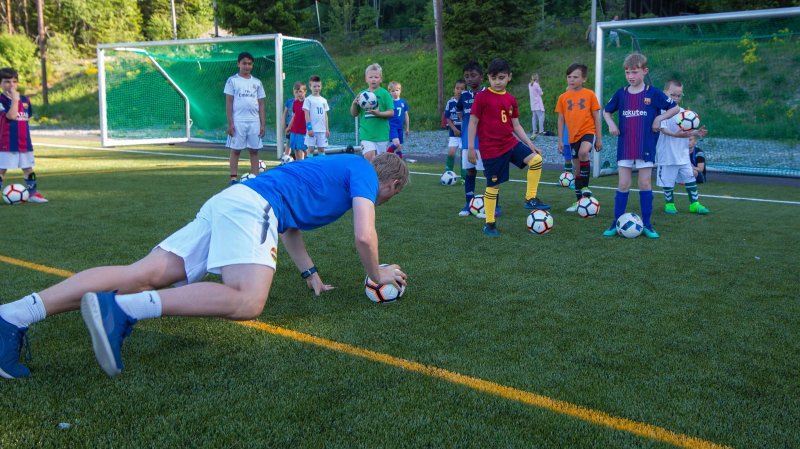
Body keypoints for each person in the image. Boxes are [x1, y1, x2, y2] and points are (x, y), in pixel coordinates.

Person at [0, 153, 410, 379]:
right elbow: (364, 235)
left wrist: (311, 275)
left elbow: (289, 227)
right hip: (252, 207)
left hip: (232, 201)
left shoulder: (338, 169)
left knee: (139, 274)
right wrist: (377, 274)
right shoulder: (364, 172)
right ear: (392, 184)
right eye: (392, 196)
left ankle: (13, 315)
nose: (386, 200)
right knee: (247, 300)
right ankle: (121, 309)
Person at [467, 58, 551, 237]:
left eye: (501, 78)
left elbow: (516, 125)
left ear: (509, 77)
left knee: (536, 160)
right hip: (491, 150)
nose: (497, 82)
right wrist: (471, 148)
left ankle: (530, 198)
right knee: (493, 186)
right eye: (493, 78)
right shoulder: (482, 97)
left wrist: (530, 144)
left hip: (510, 143)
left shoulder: (511, 99)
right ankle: (490, 224)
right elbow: (473, 122)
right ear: (488, 77)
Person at [602, 53, 680, 238]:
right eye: (627, 72)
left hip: (646, 145)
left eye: (635, 72)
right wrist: (611, 124)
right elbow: (606, 111)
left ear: (645, 71)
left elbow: (675, 108)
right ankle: (616, 222)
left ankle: (647, 224)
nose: (631, 76)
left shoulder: (653, 93)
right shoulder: (621, 93)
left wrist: (659, 118)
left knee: (644, 183)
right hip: (625, 145)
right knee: (623, 184)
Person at [655, 80, 709, 215]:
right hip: (667, 154)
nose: (676, 98)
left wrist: (697, 132)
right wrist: (675, 135)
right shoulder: (661, 112)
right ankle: (669, 204)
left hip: (682, 154)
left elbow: (687, 131)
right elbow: (662, 129)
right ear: (665, 93)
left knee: (690, 178)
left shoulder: (684, 113)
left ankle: (694, 204)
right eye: (673, 95)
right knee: (668, 181)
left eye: (679, 95)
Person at [555, 63, 603, 213]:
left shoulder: (590, 94)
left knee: (583, 152)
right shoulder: (563, 97)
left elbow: (596, 117)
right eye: (569, 76)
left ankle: (585, 187)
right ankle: (579, 202)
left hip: (588, 131)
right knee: (578, 171)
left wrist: (599, 138)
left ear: (584, 79)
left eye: (575, 77)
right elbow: (561, 120)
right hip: (572, 137)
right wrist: (560, 140)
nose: (571, 79)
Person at [457, 60, 500, 218]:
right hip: (467, 143)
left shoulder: (489, 94)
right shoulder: (464, 96)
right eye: (467, 76)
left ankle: (495, 206)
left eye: (473, 75)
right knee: (470, 171)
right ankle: (469, 204)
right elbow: (461, 113)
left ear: (481, 77)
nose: (470, 79)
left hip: (484, 142)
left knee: (489, 173)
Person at [0, 67, 47, 203]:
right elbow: (11, 116)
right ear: (1, 84)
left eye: (14, 81)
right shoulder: (1, 100)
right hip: (6, 143)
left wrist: (18, 100)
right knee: (1, 170)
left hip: (24, 142)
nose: (11, 85)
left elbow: (26, 118)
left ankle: (33, 194)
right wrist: (15, 100)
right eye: (7, 82)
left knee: (28, 169)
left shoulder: (25, 100)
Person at [224, 52, 265, 185]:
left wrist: (262, 124)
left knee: (254, 150)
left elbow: (261, 104)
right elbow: (229, 102)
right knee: (236, 150)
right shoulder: (232, 81)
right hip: (238, 121)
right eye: (244, 63)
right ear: (238, 64)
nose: (247, 66)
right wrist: (230, 123)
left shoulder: (257, 82)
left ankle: (255, 178)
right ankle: (233, 179)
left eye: (249, 64)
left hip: (254, 122)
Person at [350, 63, 394, 161]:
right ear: (366, 79)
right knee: (369, 156)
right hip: (366, 134)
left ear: (380, 79)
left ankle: (377, 172)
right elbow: (354, 114)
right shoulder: (362, 95)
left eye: (376, 77)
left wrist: (379, 114)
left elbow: (391, 112)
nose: (373, 79)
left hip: (381, 135)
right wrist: (354, 104)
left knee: (380, 162)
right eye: (370, 77)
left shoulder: (385, 94)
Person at [443, 79, 466, 176]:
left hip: (464, 134)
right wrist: (454, 129)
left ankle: (464, 177)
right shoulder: (450, 102)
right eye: (457, 88)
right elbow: (447, 118)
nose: (459, 90)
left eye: (462, 89)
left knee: (463, 155)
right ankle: (447, 174)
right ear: (454, 89)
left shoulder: (466, 102)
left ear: (465, 90)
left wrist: (464, 129)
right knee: (451, 153)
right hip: (454, 133)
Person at [303, 75, 330, 157]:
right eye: (314, 86)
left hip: (322, 130)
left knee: (321, 149)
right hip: (312, 129)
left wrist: (327, 129)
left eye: (318, 86)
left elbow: (325, 116)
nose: (316, 88)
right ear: (310, 87)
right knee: (311, 149)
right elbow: (306, 115)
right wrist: (309, 128)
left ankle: (321, 164)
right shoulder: (308, 99)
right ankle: (309, 163)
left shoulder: (324, 100)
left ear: (321, 86)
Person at [387, 81, 410, 159]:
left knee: (399, 147)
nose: (395, 92)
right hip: (392, 126)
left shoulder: (403, 102)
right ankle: (386, 156)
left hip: (400, 127)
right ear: (390, 92)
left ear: (400, 91)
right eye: (393, 91)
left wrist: (407, 128)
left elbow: (406, 115)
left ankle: (399, 162)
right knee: (396, 143)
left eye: (397, 90)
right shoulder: (389, 102)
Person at [286, 81, 308, 160]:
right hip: (294, 130)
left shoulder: (307, 102)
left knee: (305, 150)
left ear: (305, 92)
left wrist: (310, 128)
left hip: (303, 131)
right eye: (296, 92)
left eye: (300, 91)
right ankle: (299, 164)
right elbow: (294, 116)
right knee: (296, 149)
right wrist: (289, 127)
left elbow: (310, 117)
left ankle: (308, 164)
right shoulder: (295, 103)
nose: (299, 94)